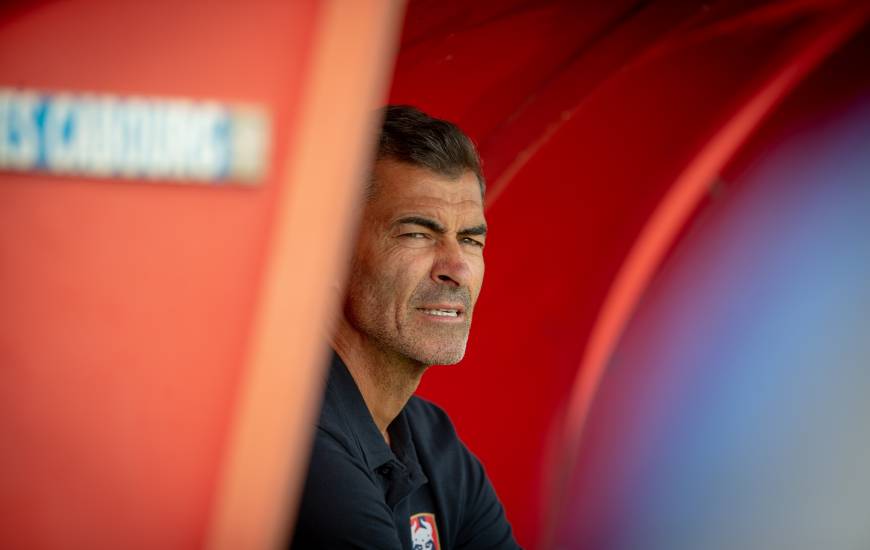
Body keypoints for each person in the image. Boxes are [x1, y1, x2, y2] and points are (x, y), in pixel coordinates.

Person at [290, 105, 520, 549]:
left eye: (470, 239)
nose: (456, 268)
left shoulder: (435, 442)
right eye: (417, 233)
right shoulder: (294, 436)